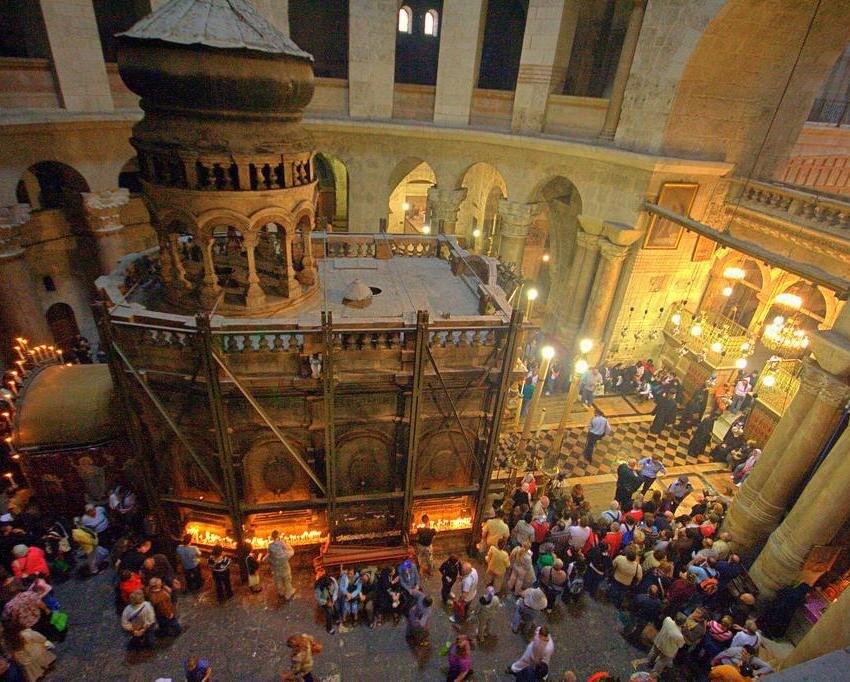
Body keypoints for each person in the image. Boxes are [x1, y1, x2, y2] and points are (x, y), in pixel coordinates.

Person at [267, 530, 296, 600]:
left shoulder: (270, 545)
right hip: (283, 563)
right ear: (278, 536)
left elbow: (269, 555)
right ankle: (288, 593)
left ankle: (281, 591)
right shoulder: (281, 543)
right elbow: (289, 550)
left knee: (278, 579)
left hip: (275, 565)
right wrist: (288, 546)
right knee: (286, 578)